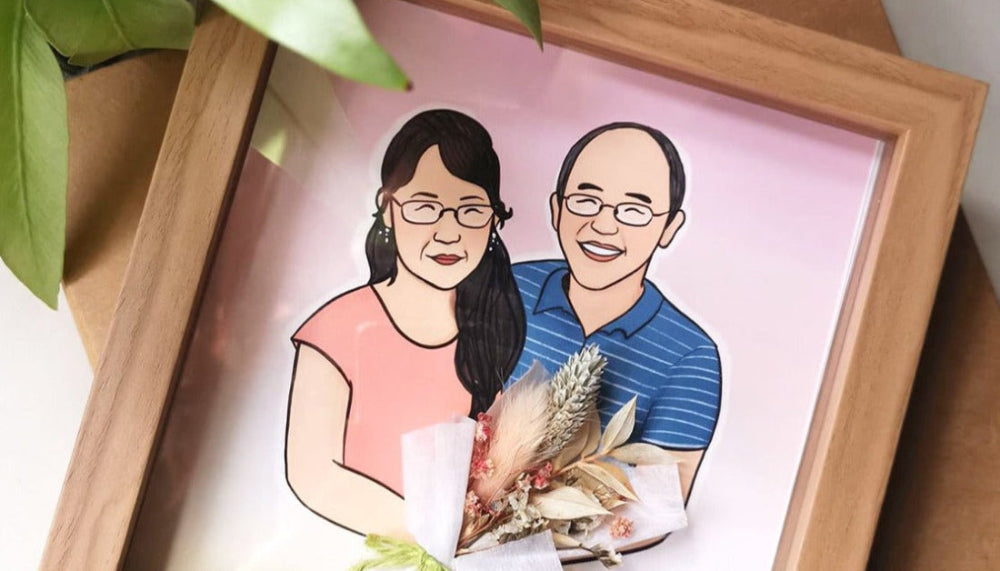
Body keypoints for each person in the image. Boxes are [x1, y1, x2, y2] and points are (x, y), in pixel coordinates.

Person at [285, 109, 525, 537]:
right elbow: (314, 476)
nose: (449, 232)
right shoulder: (337, 329)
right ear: (388, 209)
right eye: (425, 207)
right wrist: (443, 543)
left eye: (470, 210)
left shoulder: (490, 333)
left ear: (493, 221)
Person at [509, 122, 721, 501]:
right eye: (585, 201)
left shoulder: (691, 356)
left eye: (634, 210)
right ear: (557, 209)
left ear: (669, 227)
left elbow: (657, 508)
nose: (603, 224)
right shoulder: (506, 288)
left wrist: (515, 555)